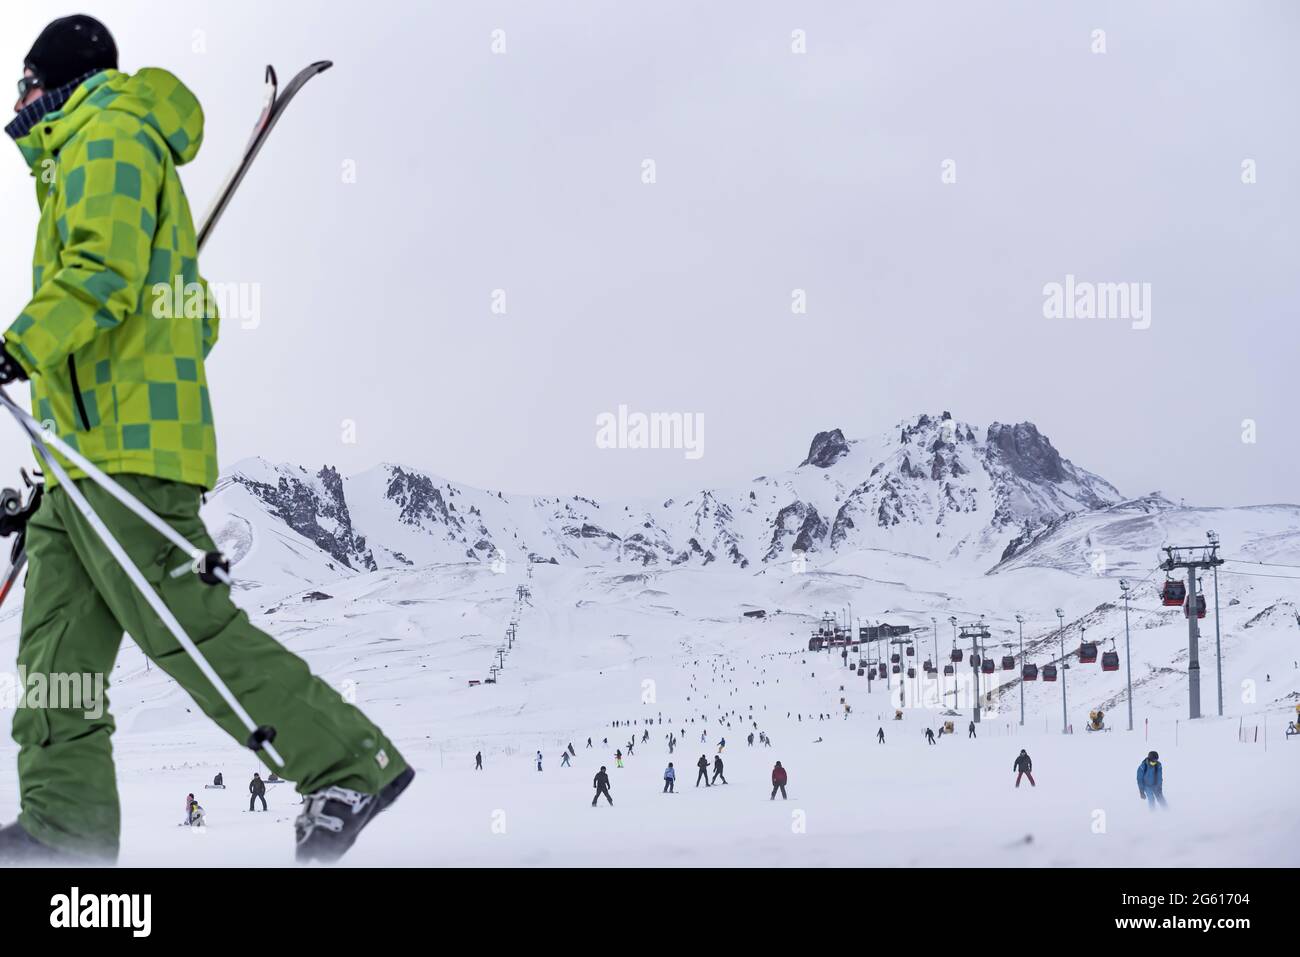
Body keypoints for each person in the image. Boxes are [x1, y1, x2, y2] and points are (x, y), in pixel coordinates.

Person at [0, 15, 412, 866]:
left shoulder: (108, 134)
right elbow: (196, 319)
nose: (16, 99)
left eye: (24, 81)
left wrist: (16, 345)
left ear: (54, 81)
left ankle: (345, 765)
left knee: (185, 626)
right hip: (78, 457)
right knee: (55, 658)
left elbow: (102, 271)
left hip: (128, 454)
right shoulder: (82, 152)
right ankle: (62, 828)